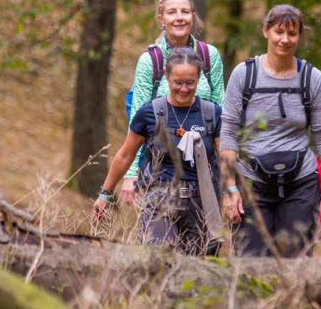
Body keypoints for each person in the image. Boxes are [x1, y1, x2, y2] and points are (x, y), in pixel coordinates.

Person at [219, 4, 321, 255]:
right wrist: (230, 186)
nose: (285, 40)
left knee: (297, 262)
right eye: (278, 32)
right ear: (266, 31)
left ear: (299, 36)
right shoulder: (245, 75)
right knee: (250, 266)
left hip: (301, 183)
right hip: (252, 183)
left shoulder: (311, 77)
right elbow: (229, 132)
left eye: (292, 34)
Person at [93, 48, 224, 255]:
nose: (183, 89)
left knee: (197, 270)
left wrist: (234, 194)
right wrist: (105, 194)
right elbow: (125, 155)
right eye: (177, 82)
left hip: (201, 203)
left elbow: (226, 158)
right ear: (167, 77)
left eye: (190, 83)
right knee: (159, 259)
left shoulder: (212, 114)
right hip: (160, 199)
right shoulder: (150, 112)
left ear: (198, 79)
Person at [119, 0, 225, 205]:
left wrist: (229, 176)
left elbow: (222, 115)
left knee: (206, 235)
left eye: (185, 12)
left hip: (204, 165)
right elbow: (137, 117)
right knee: (157, 235)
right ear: (161, 18)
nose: (179, 18)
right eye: (172, 12)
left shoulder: (209, 55)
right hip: (159, 164)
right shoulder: (151, 60)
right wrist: (130, 174)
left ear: (193, 17)